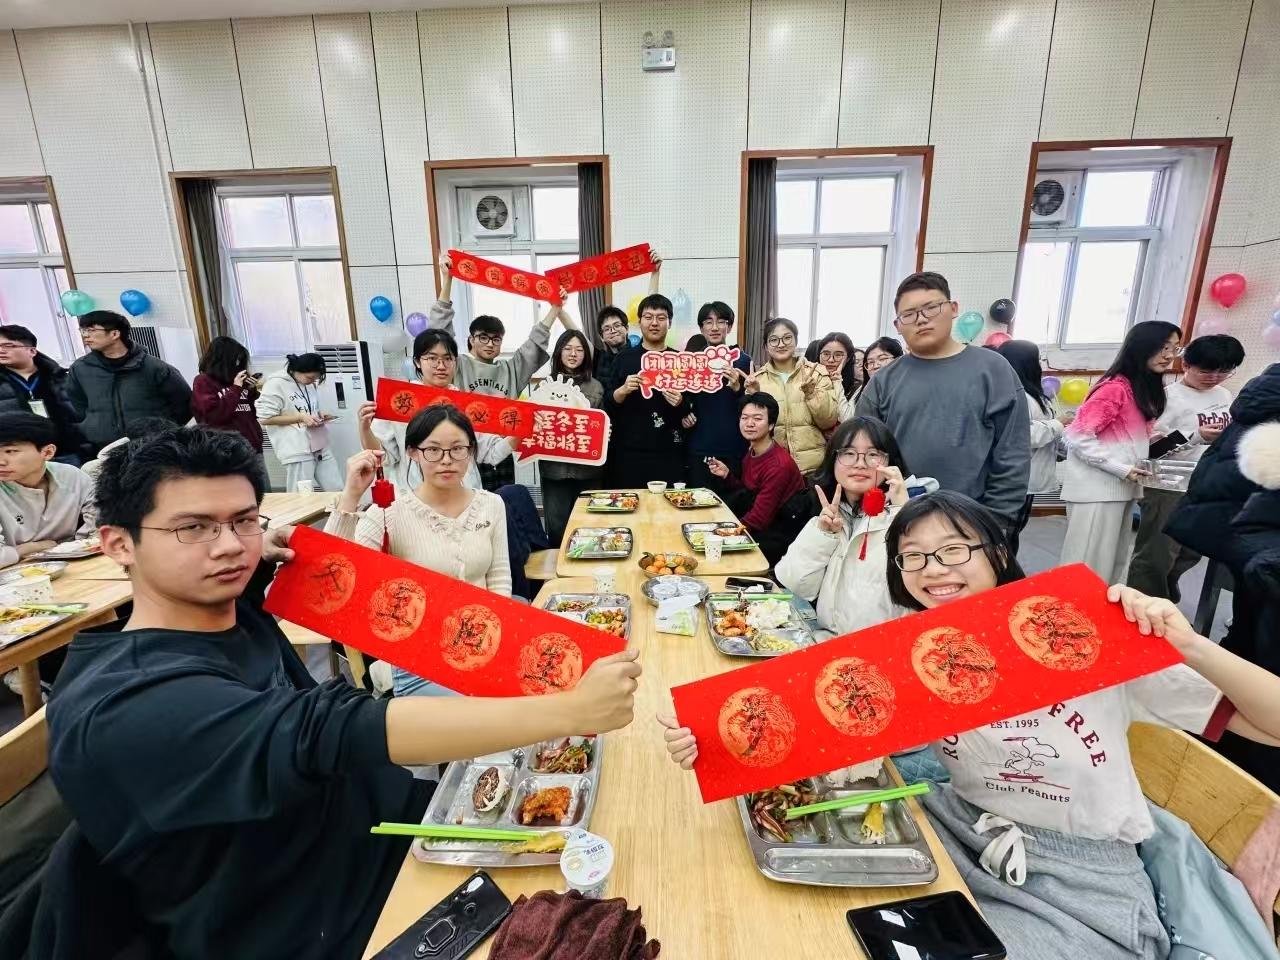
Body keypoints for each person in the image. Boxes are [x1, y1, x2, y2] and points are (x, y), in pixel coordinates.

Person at [45, 426, 640, 959]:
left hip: (389, 832)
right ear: (118, 544)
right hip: (318, 918)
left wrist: (278, 547)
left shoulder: (221, 609)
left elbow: (302, 577)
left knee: (622, 828)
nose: (228, 546)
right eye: (192, 527)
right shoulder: (123, 707)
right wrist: (568, 710)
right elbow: (330, 728)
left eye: (243, 520)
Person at [661, 490, 1280, 960]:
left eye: (954, 549)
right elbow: (809, 727)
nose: (934, 569)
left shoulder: (1082, 635)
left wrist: (1187, 643)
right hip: (962, 832)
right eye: (913, 557)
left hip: (1084, 884)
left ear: (999, 552)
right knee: (806, 927)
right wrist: (707, 739)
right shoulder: (916, 654)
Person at [329, 406, 509, 698]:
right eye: (433, 450)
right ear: (413, 452)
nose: (447, 460)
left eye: (458, 449)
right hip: (417, 656)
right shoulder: (389, 513)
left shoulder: (491, 505)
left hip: (482, 642)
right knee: (488, 713)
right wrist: (351, 495)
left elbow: (499, 578)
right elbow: (333, 576)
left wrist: (499, 638)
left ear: (471, 451)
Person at [856, 273, 1028, 527]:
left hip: (974, 518)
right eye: (909, 314)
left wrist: (995, 521)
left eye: (931, 307)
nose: (921, 318)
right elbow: (865, 453)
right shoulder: (884, 381)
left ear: (953, 308)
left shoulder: (993, 370)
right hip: (900, 517)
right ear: (897, 325)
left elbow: (1012, 453)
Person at [1060, 321, 1182, 582]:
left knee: (1112, 565)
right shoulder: (1114, 388)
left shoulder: (1140, 389)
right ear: (1142, 346)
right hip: (1097, 491)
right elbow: (1077, 435)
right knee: (1086, 566)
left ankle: (1099, 608)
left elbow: (1124, 438)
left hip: (1122, 488)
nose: (1169, 355)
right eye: (1163, 347)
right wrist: (1121, 468)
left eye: (1175, 348)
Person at [1127, 334, 1244, 600]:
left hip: (1207, 482)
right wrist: (1195, 436)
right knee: (1158, 552)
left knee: (1194, 548)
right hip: (1167, 485)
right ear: (1187, 365)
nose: (1214, 377)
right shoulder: (1166, 398)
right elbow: (1148, 449)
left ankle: (1166, 589)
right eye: (1206, 371)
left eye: (1224, 371)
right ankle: (1143, 603)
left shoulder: (1224, 394)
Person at [774, 416, 914, 636]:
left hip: (882, 645)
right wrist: (822, 535)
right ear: (833, 459)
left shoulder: (910, 514)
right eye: (848, 453)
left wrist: (903, 515)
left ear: (890, 462)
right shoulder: (830, 513)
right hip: (827, 640)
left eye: (873, 454)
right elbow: (797, 585)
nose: (860, 463)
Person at [358, 329, 519, 494]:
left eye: (448, 359)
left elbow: (491, 453)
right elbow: (382, 456)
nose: (441, 366)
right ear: (417, 362)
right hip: (415, 496)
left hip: (462, 495)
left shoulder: (469, 405)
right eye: (432, 358)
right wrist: (365, 428)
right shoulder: (400, 401)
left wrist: (521, 431)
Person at [66, 310, 191, 455]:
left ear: (115, 334)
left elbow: (184, 404)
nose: (86, 335)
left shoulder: (155, 368)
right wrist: (95, 425)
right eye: (83, 330)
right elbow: (78, 405)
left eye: (92, 330)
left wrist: (164, 432)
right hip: (104, 448)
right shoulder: (80, 369)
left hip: (152, 447)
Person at [705, 393, 804, 564]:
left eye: (757, 419)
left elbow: (758, 519)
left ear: (771, 424)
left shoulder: (778, 465)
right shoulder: (754, 450)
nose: (749, 423)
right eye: (744, 418)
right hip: (761, 526)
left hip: (777, 537)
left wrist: (720, 533)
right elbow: (749, 493)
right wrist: (727, 476)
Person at [996, 339, 1074, 556]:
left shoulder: (1033, 394)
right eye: (1037, 359)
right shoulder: (1013, 395)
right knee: (1005, 536)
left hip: (1030, 478)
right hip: (1016, 479)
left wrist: (1063, 446)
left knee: (1013, 533)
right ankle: (1003, 573)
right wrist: (1059, 423)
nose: (1040, 364)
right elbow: (1022, 434)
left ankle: (1007, 571)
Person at [605, 293, 691, 487]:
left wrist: (680, 402)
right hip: (629, 453)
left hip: (669, 452)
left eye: (661, 318)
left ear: (669, 323)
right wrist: (623, 390)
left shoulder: (680, 360)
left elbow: (690, 407)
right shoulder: (624, 359)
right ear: (639, 321)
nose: (654, 323)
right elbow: (608, 403)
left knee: (668, 505)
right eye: (648, 317)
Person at [743, 317, 839, 475]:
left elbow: (828, 421)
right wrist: (755, 395)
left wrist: (812, 393)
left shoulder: (815, 373)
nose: (781, 344)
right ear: (766, 346)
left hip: (812, 468)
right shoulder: (757, 380)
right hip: (773, 469)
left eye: (787, 338)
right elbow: (751, 429)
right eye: (774, 340)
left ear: (796, 341)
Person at [0, 412, 95, 568]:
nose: (1, 461)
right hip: (14, 573)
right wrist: (28, 549)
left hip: (77, 564)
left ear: (48, 452)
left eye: (10, 451)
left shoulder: (72, 477)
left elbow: (101, 527)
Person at [538, 329, 605, 546]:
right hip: (555, 471)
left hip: (588, 471)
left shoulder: (595, 386)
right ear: (559, 352)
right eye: (567, 349)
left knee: (590, 527)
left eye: (579, 349)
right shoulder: (545, 386)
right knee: (558, 529)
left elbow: (603, 427)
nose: (573, 354)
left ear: (586, 355)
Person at [685, 301, 752, 488]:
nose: (714, 327)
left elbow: (752, 406)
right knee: (699, 500)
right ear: (702, 328)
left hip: (734, 446)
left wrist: (738, 388)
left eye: (721, 322)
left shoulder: (743, 361)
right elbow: (685, 400)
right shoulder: (692, 362)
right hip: (700, 445)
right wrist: (684, 413)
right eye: (708, 322)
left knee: (733, 499)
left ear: (729, 327)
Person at [0, 324, 88, 464]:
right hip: (19, 458)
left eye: (9, 346)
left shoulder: (60, 377)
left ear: (32, 351)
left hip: (69, 452)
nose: (1, 350)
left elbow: (82, 414)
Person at [256, 352, 342, 492]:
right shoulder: (276, 384)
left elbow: (305, 407)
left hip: (319, 443)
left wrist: (318, 414)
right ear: (297, 370)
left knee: (337, 489)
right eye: (310, 377)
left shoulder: (309, 384)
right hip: (297, 449)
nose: (312, 381)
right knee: (302, 494)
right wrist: (300, 417)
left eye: (316, 379)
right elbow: (265, 418)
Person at [192, 336, 263, 469]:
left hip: (252, 447)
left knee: (261, 482)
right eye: (235, 361)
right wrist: (235, 389)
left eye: (240, 361)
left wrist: (251, 391)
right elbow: (214, 416)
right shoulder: (203, 381)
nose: (238, 365)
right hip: (225, 451)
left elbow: (253, 414)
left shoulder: (239, 381)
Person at [816, 332, 858, 422]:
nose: (831, 360)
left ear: (848, 358)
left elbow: (847, 420)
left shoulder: (857, 387)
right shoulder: (809, 381)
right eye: (826, 354)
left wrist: (837, 381)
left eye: (838, 355)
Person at [854, 336, 903, 401]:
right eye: (870, 362)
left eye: (882, 359)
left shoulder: (909, 391)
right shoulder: (864, 393)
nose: (875, 366)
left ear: (899, 360)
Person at [593, 305, 631, 387]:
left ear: (627, 328)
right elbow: (580, 337)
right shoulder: (598, 357)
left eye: (617, 326)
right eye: (607, 329)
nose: (613, 331)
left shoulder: (638, 355)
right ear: (601, 337)